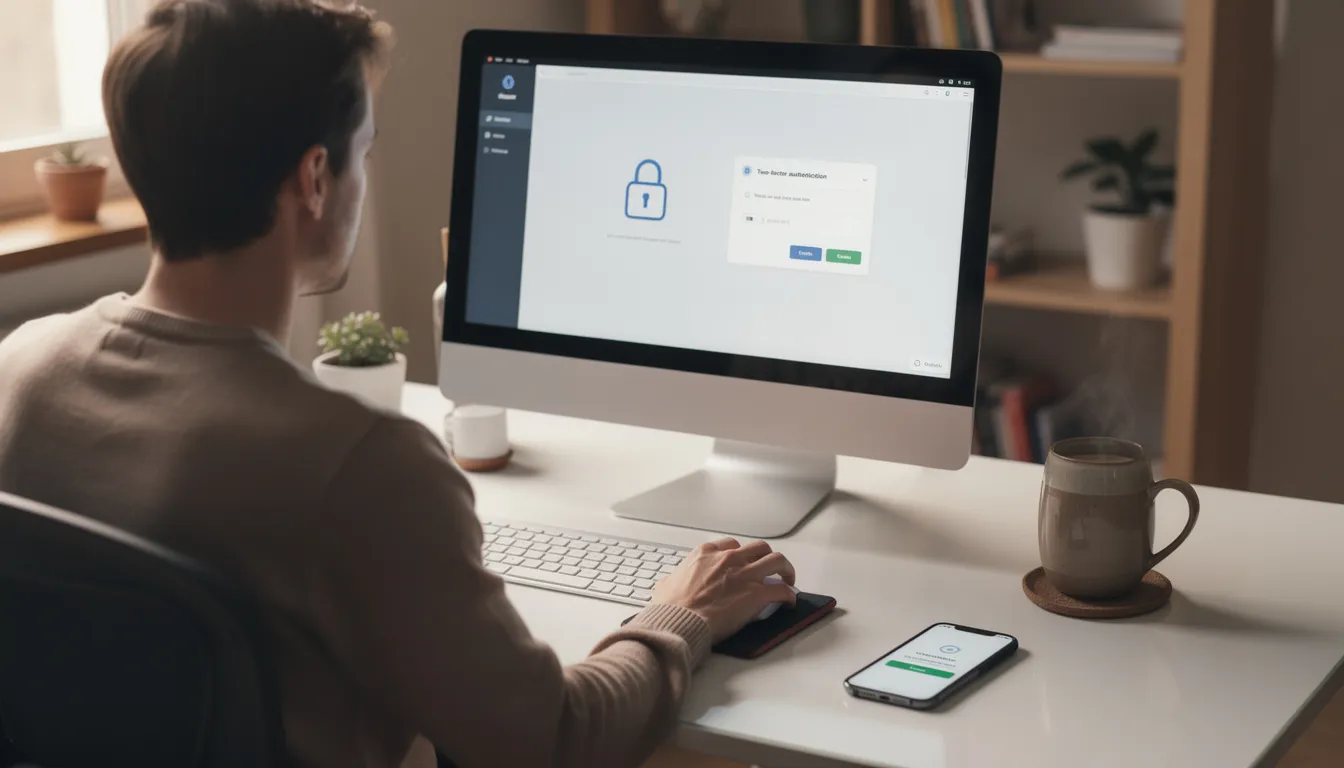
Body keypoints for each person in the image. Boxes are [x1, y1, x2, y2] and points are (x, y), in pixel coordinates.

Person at [0, 2, 799, 767]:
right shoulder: (363, 465)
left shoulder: (20, 370)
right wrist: (681, 613)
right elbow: (556, 742)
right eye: (366, 152)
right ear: (315, 178)